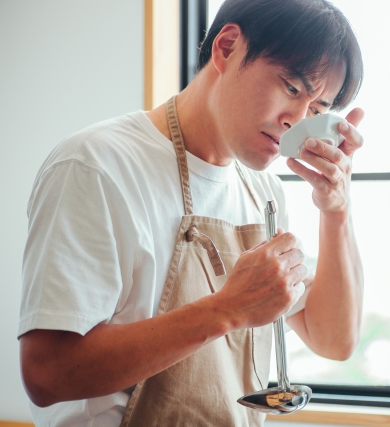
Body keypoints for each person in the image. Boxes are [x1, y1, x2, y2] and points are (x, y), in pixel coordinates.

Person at [18, 0, 364, 426]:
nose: (296, 119)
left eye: (316, 109)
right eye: (292, 88)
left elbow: (334, 339)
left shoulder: (263, 191)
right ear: (227, 47)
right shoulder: (95, 164)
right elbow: (47, 374)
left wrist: (336, 209)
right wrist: (225, 309)